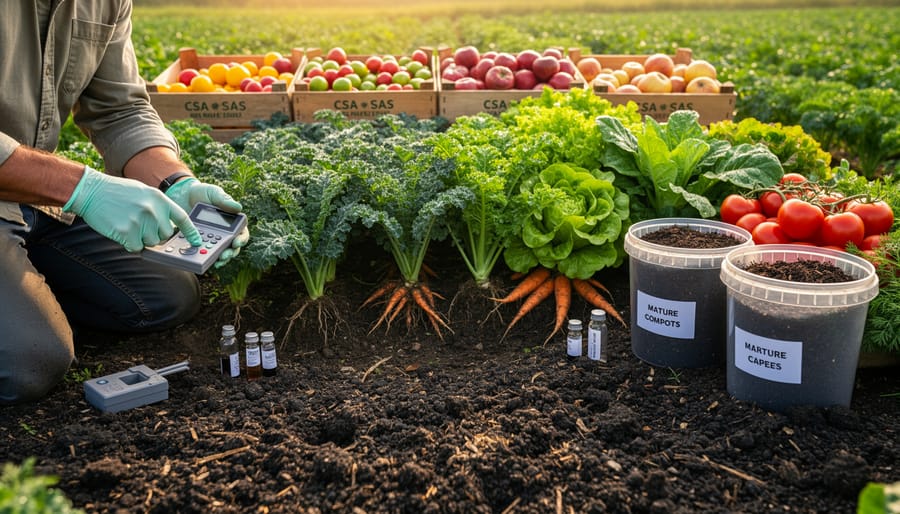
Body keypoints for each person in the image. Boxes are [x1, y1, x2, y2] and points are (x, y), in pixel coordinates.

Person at [0, 1, 249, 404]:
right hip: (37, 186)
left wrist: (174, 182)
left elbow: (121, 109)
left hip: (34, 195)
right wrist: (85, 189)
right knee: (29, 362)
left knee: (165, 295)